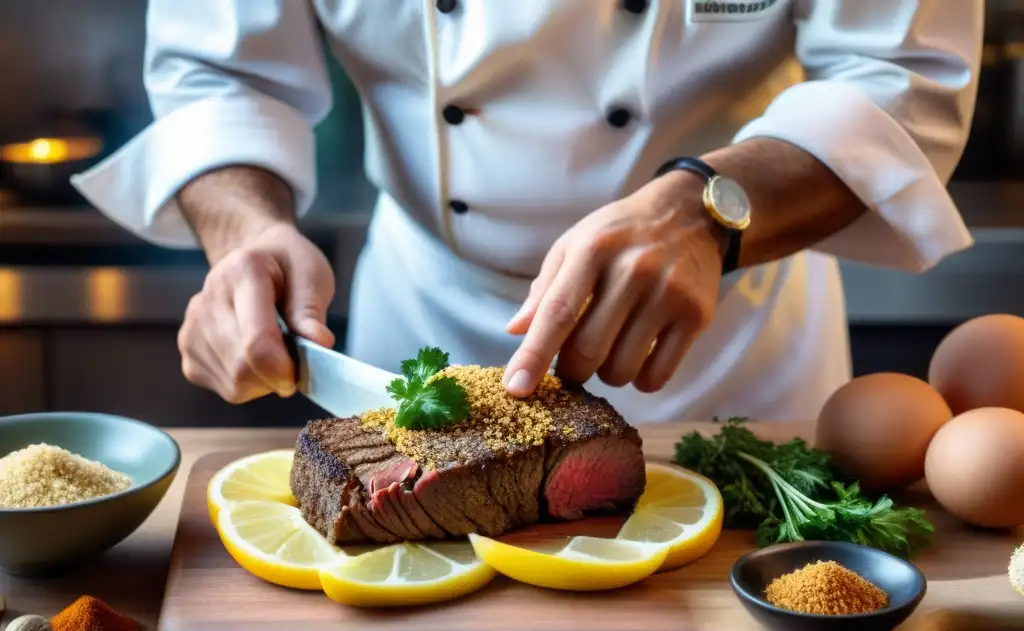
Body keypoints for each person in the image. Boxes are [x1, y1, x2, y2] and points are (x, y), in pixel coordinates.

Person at [73, 0, 983, 424]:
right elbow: (221, 69)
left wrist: (706, 212)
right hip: (425, 315)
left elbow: (901, 74)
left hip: (725, 340)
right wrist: (249, 231)